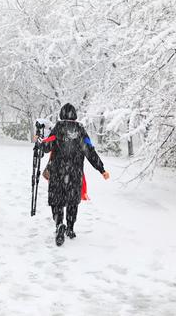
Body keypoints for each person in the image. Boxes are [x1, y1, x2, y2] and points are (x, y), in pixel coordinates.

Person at [38, 103, 110, 246]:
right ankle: (70, 228)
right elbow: (90, 151)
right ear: (74, 115)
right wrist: (102, 169)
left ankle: (59, 224)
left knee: (56, 201)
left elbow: (47, 147)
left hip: (57, 172)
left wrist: (40, 141)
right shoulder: (81, 131)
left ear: (61, 114)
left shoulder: (58, 128)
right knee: (72, 202)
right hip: (75, 174)